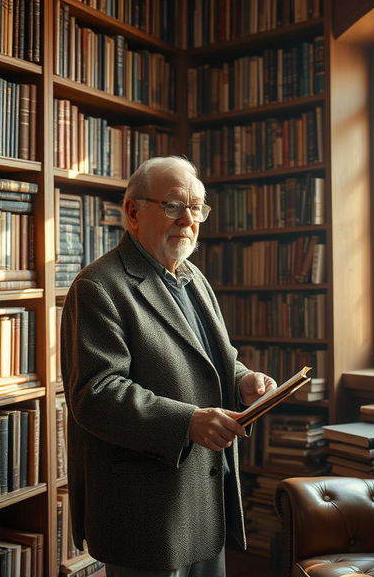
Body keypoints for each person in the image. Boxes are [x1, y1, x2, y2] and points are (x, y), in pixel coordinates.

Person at [60, 156, 277, 577]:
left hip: (203, 496)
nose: (188, 220)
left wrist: (243, 380)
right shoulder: (98, 287)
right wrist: (187, 422)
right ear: (133, 212)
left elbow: (216, 359)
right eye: (174, 205)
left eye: (197, 208)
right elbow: (96, 394)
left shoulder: (193, 276)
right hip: (145, 511)